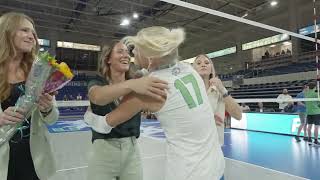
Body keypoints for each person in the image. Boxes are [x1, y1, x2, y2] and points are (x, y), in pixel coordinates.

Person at [86, 26, 226, 180]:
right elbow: (162, 70)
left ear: (150, 57)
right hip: (216, 167)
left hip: (189, 173)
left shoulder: (149, 90)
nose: (132, 53)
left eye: (136, 49)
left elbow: (104, 125)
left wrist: (88, 116)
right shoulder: (189, 69)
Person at [86, 40, 168, 180]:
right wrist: (132, 84)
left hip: (132, 150)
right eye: (120, 51)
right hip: (103, 150)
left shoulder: (139, 83)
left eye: (127, 52)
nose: (125, 55)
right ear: (108, 59)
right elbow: (97, 97)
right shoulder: (98, 82)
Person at [0, 12, 59, 180]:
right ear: (6, 32)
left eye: (33, 33)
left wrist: (47, 108)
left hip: (34, 160)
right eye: (24, 31)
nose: (31, 36)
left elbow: (52, 119)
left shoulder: (39, 71)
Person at [192, 54, 242, 146]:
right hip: (194, 146)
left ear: (211, 69)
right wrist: (208, 119)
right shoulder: (189, 92)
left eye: (207, 62)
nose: (203, 64)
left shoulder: (219, 91)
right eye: (198, 63)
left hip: (215, 148)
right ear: (193, 69)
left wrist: (222, 89)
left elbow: (238, 115)